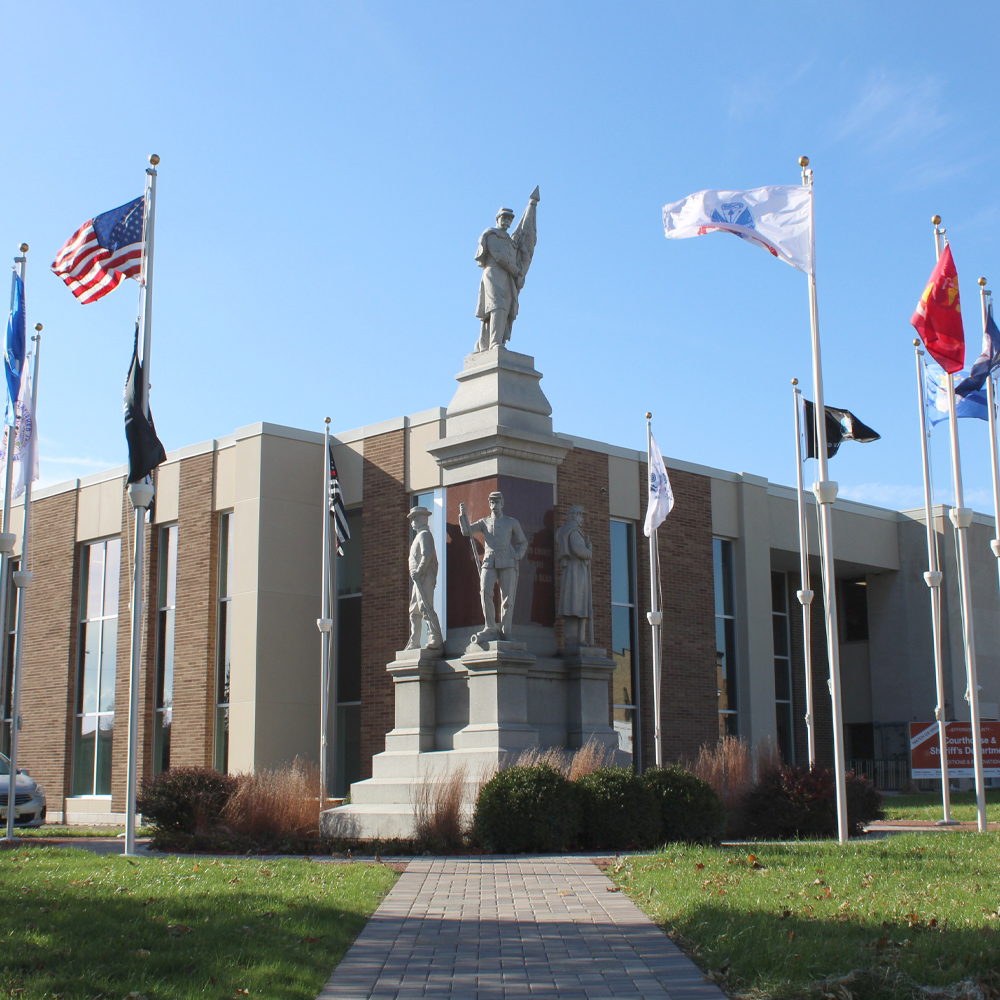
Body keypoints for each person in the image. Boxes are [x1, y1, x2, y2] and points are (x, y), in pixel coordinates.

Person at [459, 491, 528, 641]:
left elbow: (523, 542)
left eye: (497, 502)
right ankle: (490, 627)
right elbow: (466, 531)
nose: (494, 505)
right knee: (485, 591)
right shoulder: (484, 522)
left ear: (502, 504)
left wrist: (517, 555)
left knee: (507, 598)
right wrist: (462, 516)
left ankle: (506, 630)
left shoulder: (511, 522)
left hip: (507, 561)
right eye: (491, 502)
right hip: (489, 561)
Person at [474, 208, 521, 352]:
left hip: (506, 277)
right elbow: (499, 256)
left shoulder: (510, 241)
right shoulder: (491, 234)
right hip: (493, 273)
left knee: (505, 309)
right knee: (496, 306)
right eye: (504, 218)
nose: (507, 221)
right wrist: (515, 270)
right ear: (497, 218)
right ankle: (494, 342)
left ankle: (485, 342)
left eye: (510, 219)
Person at [405, 506, 443, 650]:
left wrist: (419, 571)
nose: (412, 522)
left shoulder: (425, 535)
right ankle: (414, 641)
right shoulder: (419, 536)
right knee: (414, 610)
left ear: (421, 519)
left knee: (425, 607)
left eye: (414, 518)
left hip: (424, 576)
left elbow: (427, 556)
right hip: (418, 578)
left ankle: (435, 638)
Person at [555, 504, 593, 648]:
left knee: (578, 607)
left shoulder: (568, 531)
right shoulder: (574, 532)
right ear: (574, 516)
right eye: (580, 515)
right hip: (576, 572)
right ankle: (575, 640)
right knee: (576, 606)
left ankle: (579, 640)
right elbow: (579, 550)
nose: (582, 518)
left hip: (575, 571)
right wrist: (589, 552)